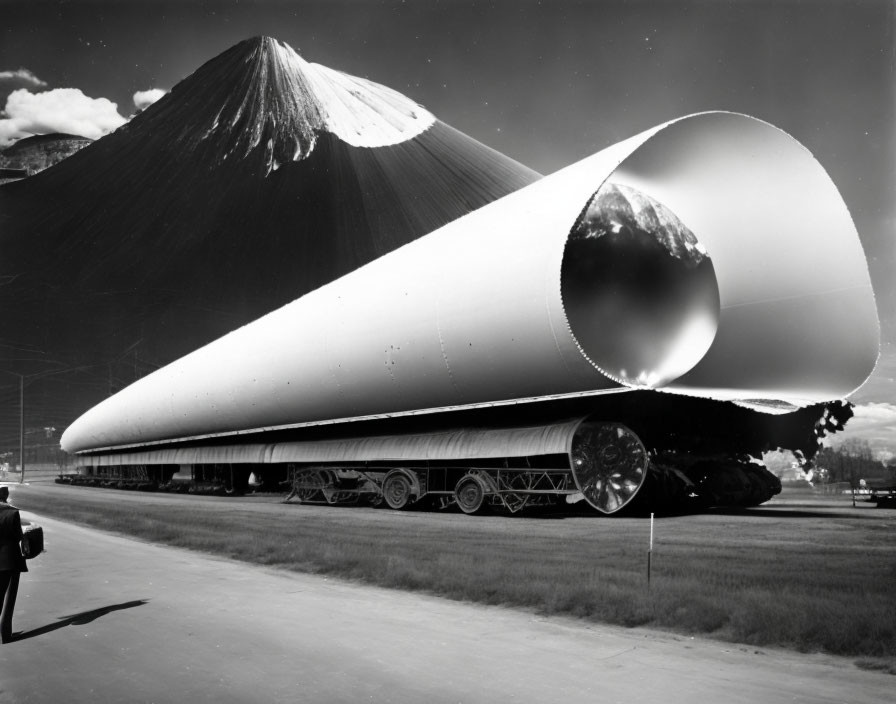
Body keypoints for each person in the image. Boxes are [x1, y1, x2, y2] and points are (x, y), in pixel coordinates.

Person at [0, 486, 27, 643]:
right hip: (10, 560)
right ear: (6, 495)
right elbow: (18, 536)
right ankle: (6, 635)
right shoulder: (13, 513)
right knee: (9, 600)